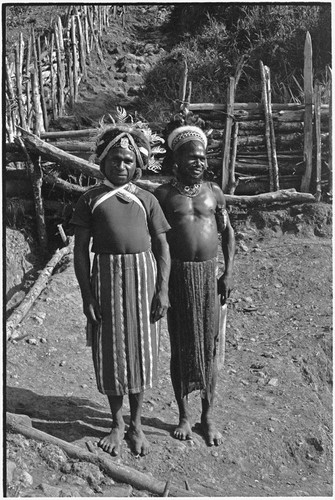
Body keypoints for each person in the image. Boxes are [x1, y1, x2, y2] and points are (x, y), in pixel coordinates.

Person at [71, 125, 171, 457]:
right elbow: (80, 252)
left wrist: (163, 291)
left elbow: (162, 247)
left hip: (143, 277)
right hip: (106, 279)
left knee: (141, 352)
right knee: (111, 351)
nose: (121, 166)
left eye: (128, 160)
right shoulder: (90, 199)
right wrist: (87, 297)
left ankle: (137, 424)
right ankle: (116, 423)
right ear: (103, 162)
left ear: (137, 165)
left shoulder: (147, 199)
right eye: (115, 160)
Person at [155, 124, 235, 446]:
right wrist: (160, 285)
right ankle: (184, 416)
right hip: (178, 278)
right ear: (177, 159)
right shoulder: (162, 196)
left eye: (202, 158)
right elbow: (156, 242)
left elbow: (228, 232)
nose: (199, 163)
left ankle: (208, 417)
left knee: (210, 347)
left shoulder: (214, 192)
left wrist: (228, 273)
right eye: (192, 158)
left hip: (208, 277)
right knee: (181, 346)